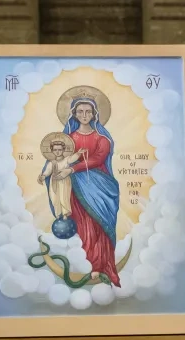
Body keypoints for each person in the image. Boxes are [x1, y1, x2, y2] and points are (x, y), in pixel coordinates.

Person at [58, 94, 121, 286]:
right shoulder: (68, 139)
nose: (84, 115)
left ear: (94, 114)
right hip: (77, 188)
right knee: (84, 226)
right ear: (74, 115)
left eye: (88, 111)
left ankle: (102, 264)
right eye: (80, 111)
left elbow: (98, 160)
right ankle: (88, 263)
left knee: (100, 226)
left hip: (101, 188)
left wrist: (72, 168)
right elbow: (59, 159)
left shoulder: (102, 139)